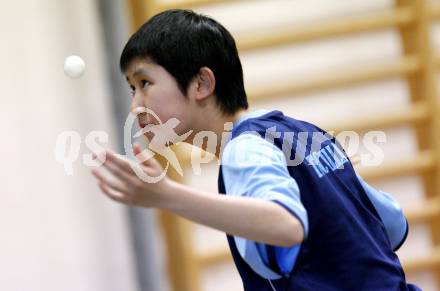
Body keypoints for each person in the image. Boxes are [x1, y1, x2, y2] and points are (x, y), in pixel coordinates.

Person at [90, 9, 420, 291]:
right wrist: (332, 189)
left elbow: (287, 226)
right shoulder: (304, 132)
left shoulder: (243, 149)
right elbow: (391, 225)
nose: (135, 106)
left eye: (144, 84)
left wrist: (165, 195)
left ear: (202, 84)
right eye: (132, 89)